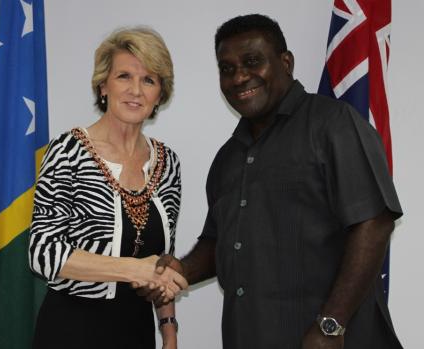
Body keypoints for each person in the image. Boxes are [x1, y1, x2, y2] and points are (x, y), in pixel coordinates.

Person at [138, 14, 403, 349]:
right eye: (227, 68)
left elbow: (374, 223)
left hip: (333, 339)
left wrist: (331, 326)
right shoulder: (227, 158)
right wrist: (180, 271)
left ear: (285, 62)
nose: (239, 77)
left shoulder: (333, 124)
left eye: (252, 62)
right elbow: (219, 243)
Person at [29, 27, 187, 349]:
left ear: (160, 94)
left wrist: (169, 331)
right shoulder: (68, 151)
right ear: (103, 85)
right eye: (124, 76)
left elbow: (161, 261)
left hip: (137, 333)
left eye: (149, 80)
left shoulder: (168, 163)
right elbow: (42, 253)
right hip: (71, 331)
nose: (135, 90)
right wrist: (132, 268)